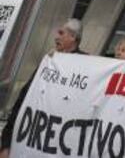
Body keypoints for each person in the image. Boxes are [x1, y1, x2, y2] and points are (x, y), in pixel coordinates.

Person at [0, 19, 86, 157]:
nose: (56, 37)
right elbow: (23, 99)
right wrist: (6, 143)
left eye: (61, 33)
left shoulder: (86, 65)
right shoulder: (49, 61)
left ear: (73, 37)